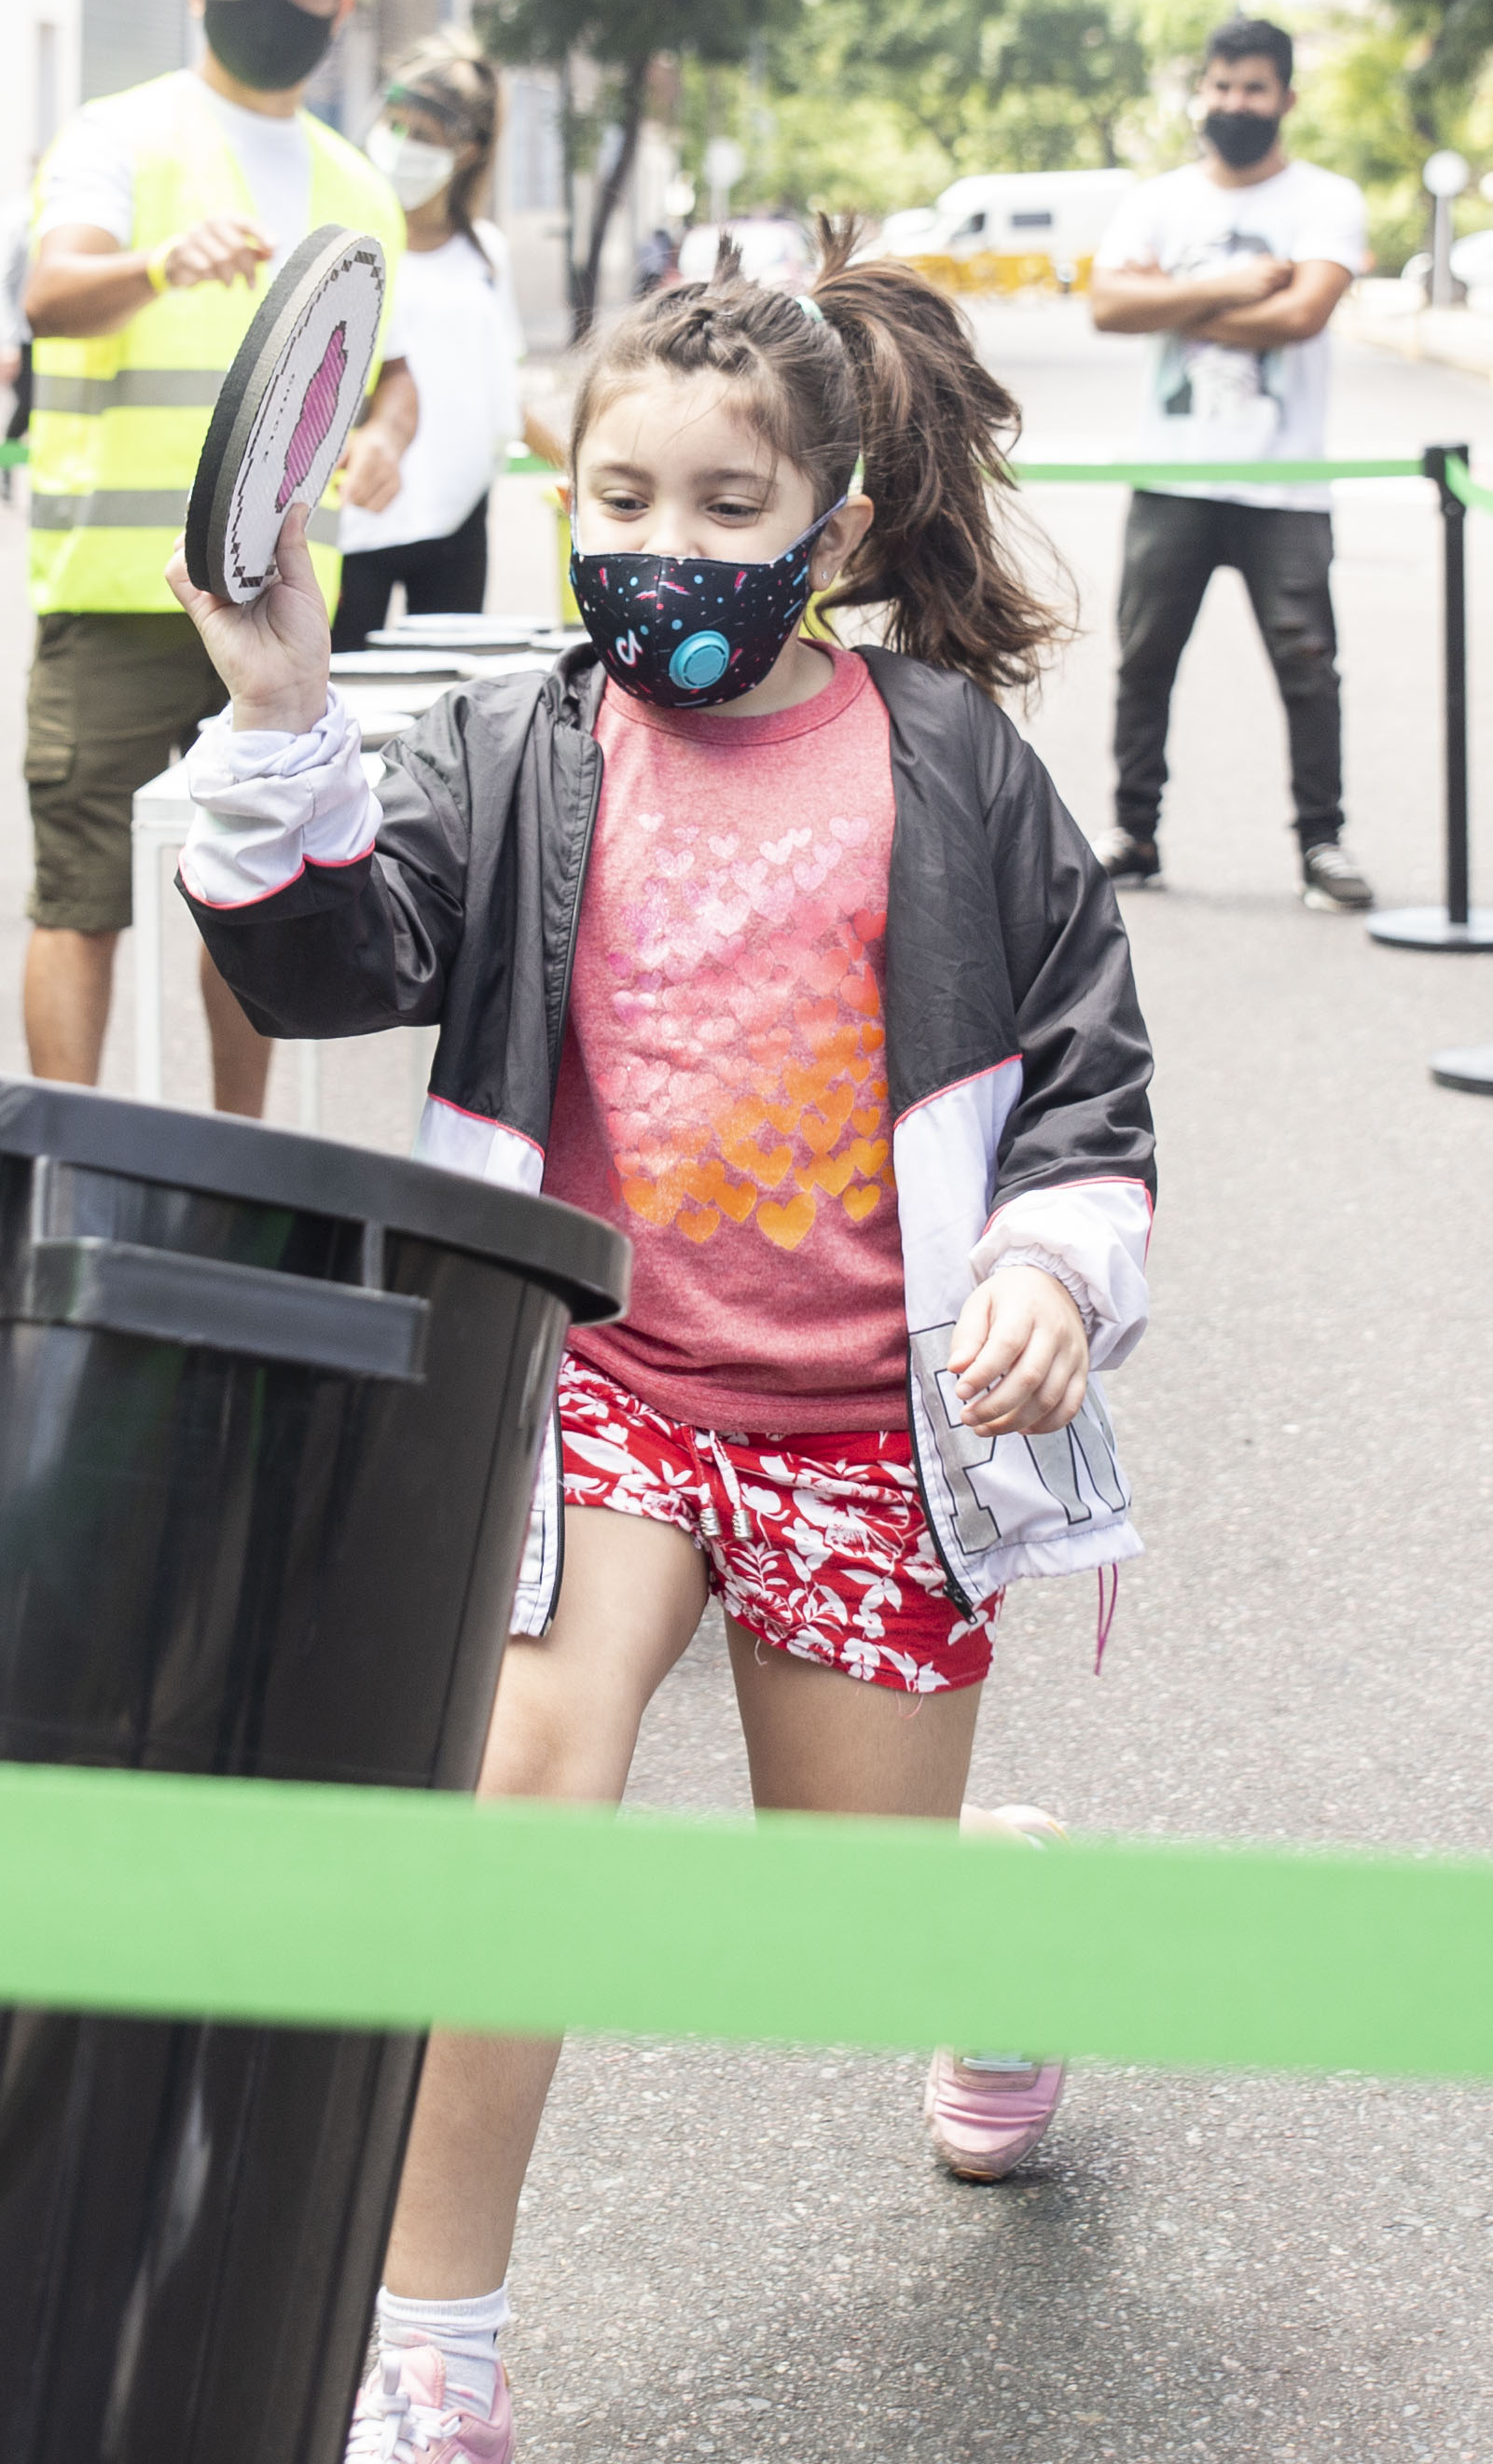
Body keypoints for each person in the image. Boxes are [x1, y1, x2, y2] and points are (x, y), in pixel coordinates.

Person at [176, 265, 1152, 2464]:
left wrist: (1050, 1270)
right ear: (556, 492)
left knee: (837, 1926)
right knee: (515, 1796)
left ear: (831, 515)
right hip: (592, 1385)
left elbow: (1088, 1077)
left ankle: (1003, 1922)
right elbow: (326, 949)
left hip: (867, 1427)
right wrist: (271, 703)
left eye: (728, 504)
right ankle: (432, 2358)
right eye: (622, 494)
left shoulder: (948, 766)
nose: (670, 546)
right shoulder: (519, 745)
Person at [11, 0, 415, 1111]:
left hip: (281, 615)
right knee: (85, 896)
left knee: (256, 895)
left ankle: (239, 1156)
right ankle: (65, 1159)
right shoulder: (119, 135)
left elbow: (392, 368)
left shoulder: (360, 186)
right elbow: (48, 296)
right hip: (123, 596)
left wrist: (389, 432)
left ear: (343, 2)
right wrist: (157, 261)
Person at [1084, 15, 1375, 907]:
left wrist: (1166, 301)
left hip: (1285, 484)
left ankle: (1322, 845)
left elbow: (1301, 318)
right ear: (1200, 94)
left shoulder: (1327, 199)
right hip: (1171, 475)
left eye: (1253, 88)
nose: (1234, 104)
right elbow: (1104, 306)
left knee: (1307, 664)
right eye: (1220, 87)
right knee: (1144, 660)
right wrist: (1223, 287)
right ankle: (1134, 834)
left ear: (1286, 98)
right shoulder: (1158, 200)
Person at [332, 36, 560, 644]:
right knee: (338, 704)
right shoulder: (347, 241)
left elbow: (502, 398)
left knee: (445, 707)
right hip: (358, 518)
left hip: (458, 518)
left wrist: (581, 465)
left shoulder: (485, 252)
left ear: (469, 151)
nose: (401, 146)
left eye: (424, 136)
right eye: (394, 125)